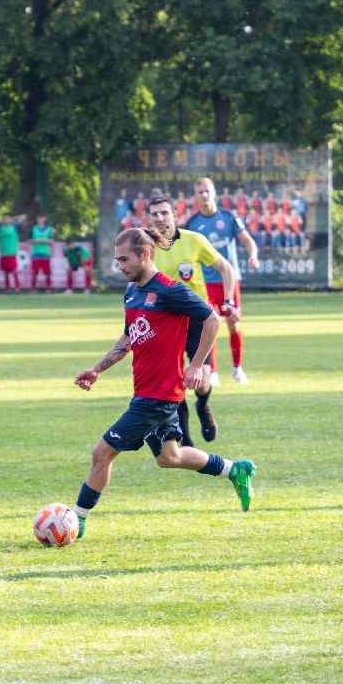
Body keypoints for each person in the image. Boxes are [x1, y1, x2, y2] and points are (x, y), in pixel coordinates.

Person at [69, 227, 255, 539]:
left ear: (145, 254)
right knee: (170, 457)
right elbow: (130, 336)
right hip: (148, 392)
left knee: (101, 454)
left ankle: (76, 520)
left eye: (124, 259)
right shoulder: (132, 292)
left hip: (156, 398)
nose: (120, 266)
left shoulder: (170, 290)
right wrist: (98, 368)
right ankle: (236, 469)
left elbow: (211, 319)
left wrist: (196, 365)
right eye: (117, 260)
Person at [144, 193, 237, 445]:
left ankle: (203, 405)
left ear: (175, 215)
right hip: (165, 324)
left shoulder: (194, 241)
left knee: (201, 382)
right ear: (149, 219)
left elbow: (226, 268)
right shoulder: (146, 248)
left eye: (165, 212)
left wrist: (228, 301)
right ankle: (185, 438)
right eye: (155, 214)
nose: (161, 217)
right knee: (173, 383)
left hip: (198, 321)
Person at [186, 177, 259, 383]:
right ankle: (214, 372)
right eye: (200, 192)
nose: (204, 195)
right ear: (196, 196)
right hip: (205, 283)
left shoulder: (228, 218)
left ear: (214, 192)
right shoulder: (193, 224)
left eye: (207, 191)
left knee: (233, 323)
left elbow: (248, 241)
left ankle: (237, 369)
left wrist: (253, 255)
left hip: (229, 281)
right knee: (210, 325)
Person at [30, 214, 55, 292]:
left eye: (42, 218)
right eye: (39, 218)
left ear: (44, 219)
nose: (40, 220)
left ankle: (48, 288)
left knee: (47, 272)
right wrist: (36, 240)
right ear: (37, 219)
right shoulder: (33, 228)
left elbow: (51, 241)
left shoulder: (49, 229)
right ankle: (33, 289)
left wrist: (44, 240)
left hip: (45, 253)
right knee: (34, 272)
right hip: (36, 253)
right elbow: (29, 240)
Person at [0, 214, 21, 292]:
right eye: (5, 219)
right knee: (6, 272)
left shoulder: (15, 227)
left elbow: (22, 217)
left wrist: (13, 218)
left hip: (12, 253)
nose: (6, 220)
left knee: (14, 271)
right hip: (4, 253)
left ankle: (17, 287)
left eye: (8, 219)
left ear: (11, 220)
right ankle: (7, 288)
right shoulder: (0, 228)